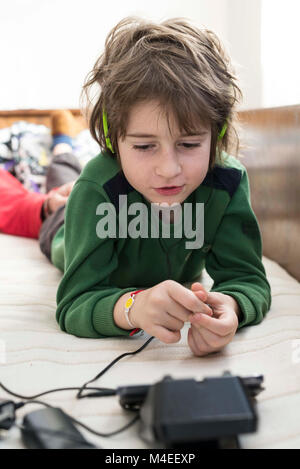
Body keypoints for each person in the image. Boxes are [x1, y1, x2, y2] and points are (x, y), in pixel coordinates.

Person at [42, 17, 272, 356]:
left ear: (217, 133)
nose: (169, 170)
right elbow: (75, 303)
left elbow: (248, 280)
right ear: (112, 137)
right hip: (61, 229)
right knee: (62, 186)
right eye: (144, 146)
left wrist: (233, 306)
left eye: (190, 144)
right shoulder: (95, 189)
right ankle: (61, 146)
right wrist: (133, 305)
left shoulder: (227, 183)